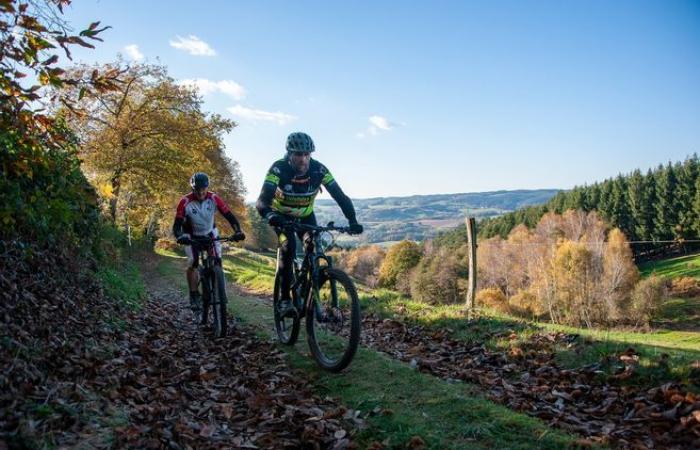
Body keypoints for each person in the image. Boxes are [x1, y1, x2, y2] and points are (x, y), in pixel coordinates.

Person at [256, 132, 363, 316]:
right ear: (289, 154)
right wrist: (271, 215)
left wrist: (352, 220)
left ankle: (309, 291)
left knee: (314, 246)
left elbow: (340, 196)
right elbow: (262, 201)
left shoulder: (319, 170)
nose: (303, 159)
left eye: (307, 154)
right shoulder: (278, 169)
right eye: (298, 154)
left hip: (306, 216)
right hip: (281, 218)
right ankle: (284, 299)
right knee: (288, 247)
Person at [173, 172, 245, 311]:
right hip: (191, 235)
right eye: (197, 189)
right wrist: (180, 236)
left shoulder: (214, 198)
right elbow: (177, 225)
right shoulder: (185, 201)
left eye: (203, 189)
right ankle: (194, 294)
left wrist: (238, 231)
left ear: (207, 187)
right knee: (193, 262)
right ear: (192, 188)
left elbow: (229, 216)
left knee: (217, 260)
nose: (200, 192)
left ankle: (219, 290)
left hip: (210, 233)